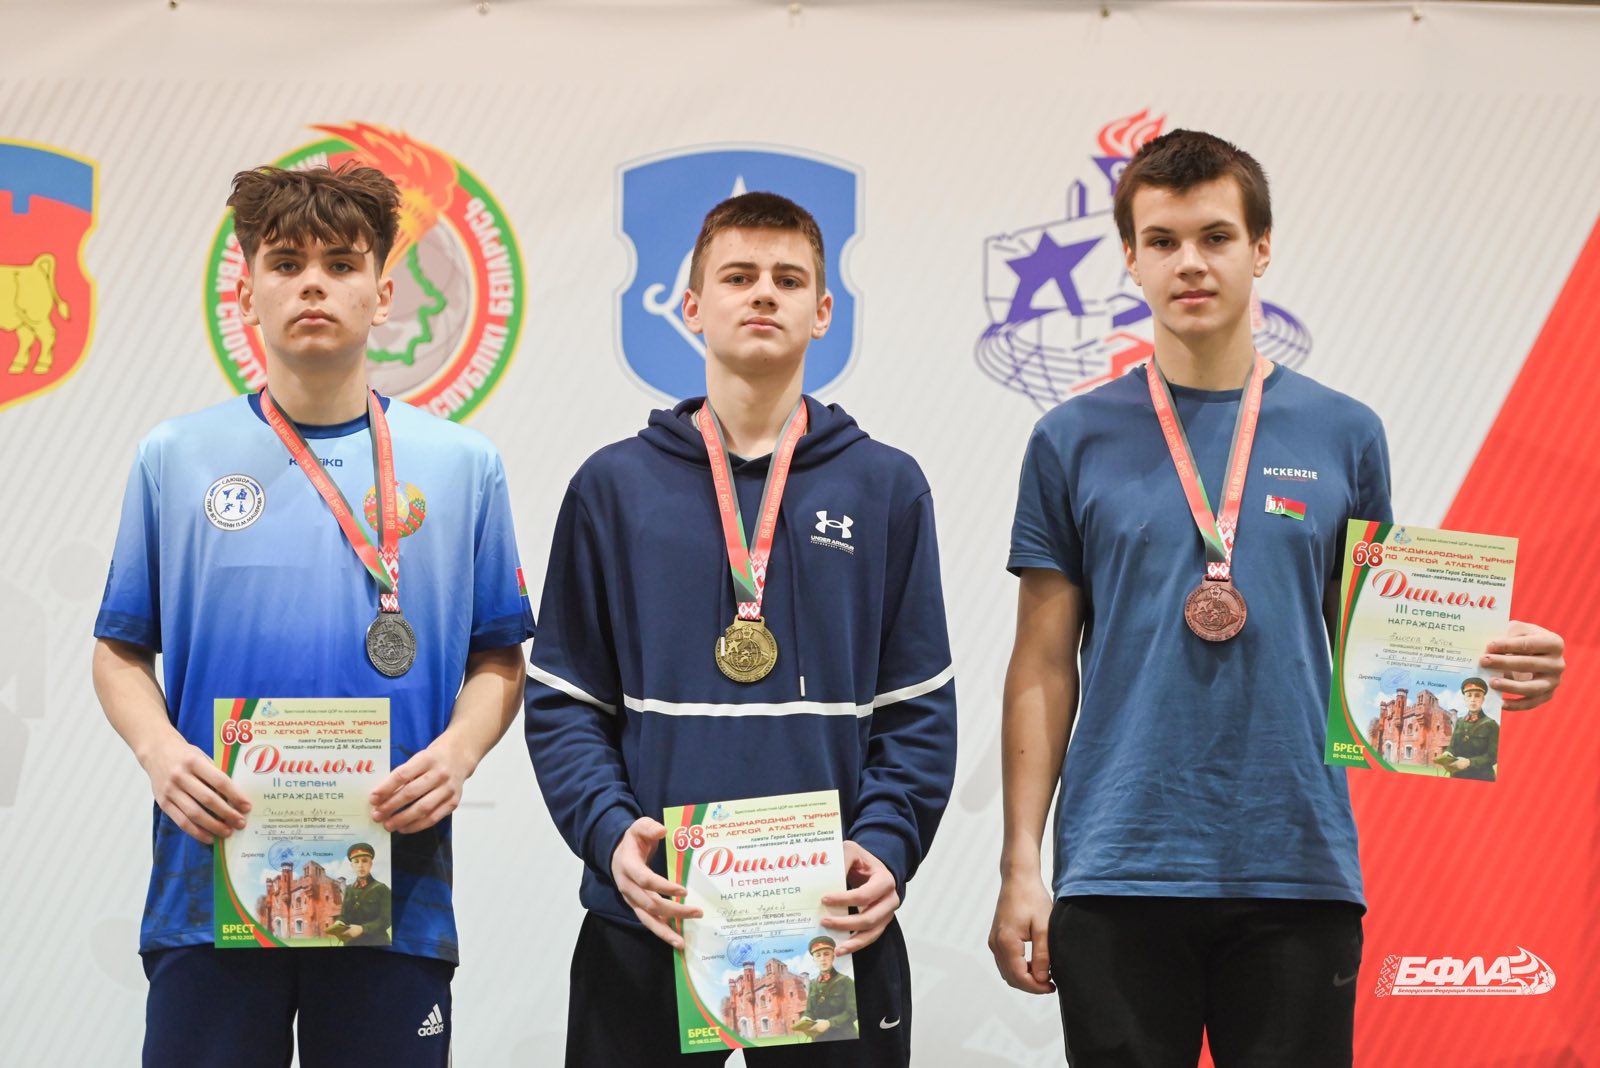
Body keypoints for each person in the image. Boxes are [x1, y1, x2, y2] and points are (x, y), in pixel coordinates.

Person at [986, 130, 1567, 1067]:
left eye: (1216, 237)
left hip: (1298, 864)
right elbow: (1043, 664)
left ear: (1261, 249)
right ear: (1130, 258)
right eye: (1163, 240)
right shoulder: (1070, 438)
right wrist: (1021, 864)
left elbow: (1376, 643)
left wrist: (1491, 667)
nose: (1190, 262)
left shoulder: (1346, 432)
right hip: (1119, 868)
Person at [93, 163, 532, 1067]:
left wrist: (458, 754)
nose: (314, 285)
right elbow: (119, 649)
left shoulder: (463, 465)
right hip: (209, 883)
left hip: (394, 886)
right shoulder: (175, 457)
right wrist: (159, 751)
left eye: (341, 263)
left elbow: (499, 655)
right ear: (247, 292)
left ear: (384, 294)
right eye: (287, 263)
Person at [525, 191, 956, 1067]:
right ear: (690, 306)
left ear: (823, 312)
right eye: (738, 276)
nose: (763, 293)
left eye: (788, 279)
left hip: (830, 919)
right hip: (654, 914)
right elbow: (566, 703)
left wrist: (884, 845)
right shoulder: (613, 487)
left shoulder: (886, 487)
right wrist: (611, 834)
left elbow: (916, 710)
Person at [794, 935, 857, 1042]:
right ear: (814, 960)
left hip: (844, 1036)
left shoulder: (846, 981)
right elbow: (809, 1010)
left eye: (826, 954)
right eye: (818, 955)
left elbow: (853, 1012)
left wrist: (829, 1023)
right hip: (819, 1038)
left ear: (833, 956)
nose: (822, 959)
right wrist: (806, 1018)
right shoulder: (812, 983)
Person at [334, 842, 393, 947]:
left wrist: (362, 929)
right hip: (351, 943)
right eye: (356, 862)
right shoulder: (349, 889)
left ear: (371, 864)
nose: (360, 865)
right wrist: (340, 922)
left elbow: (386, 919)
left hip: (376, 943)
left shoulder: (382, 889)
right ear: (352, 866)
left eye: (365, 861)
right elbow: (344, 915)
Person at [1444, 677, 1499, 781]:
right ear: (1464, 699)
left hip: (1481, 778)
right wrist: (1448, 753)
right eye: (1469, 695)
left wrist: (1469, 762)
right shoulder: (1459, 722)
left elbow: (1493, 756)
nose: (1473, 699)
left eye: (1477, 695)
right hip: (1457, 776)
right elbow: (1452, 746)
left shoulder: (1491, 725)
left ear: (1483, 699)